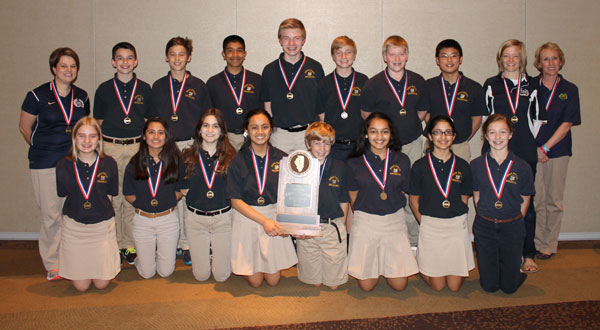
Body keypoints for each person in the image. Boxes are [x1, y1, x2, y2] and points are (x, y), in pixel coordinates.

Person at [19, 47, 90, 280]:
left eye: (72, 66)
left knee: (71, 213)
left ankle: (72, 257)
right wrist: (43, 148)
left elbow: (84, 130)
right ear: (54, 68)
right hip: (46, 163)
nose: (68, 70)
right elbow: (24, 127)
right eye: (63, 66)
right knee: (51, 214)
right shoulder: (37, 95)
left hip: (74, 163)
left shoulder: (81, 96)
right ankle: (53, 263)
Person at [360, 35, 429, 247]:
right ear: (384, 57)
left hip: (413, 145)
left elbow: (423, 110)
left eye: (401, 54)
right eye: (392, 54)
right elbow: (366, 114)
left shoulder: (418, 81)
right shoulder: (373, 84)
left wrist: (405, 126)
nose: (397, 58)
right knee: (388, 192)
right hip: (385, 149)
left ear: (407, 56)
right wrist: (387, 135)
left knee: (415, 193)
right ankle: (393, 242)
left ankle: (416, 242)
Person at [483, 39, 543, 273]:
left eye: (515, 55)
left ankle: (527, 253)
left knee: (526, 204)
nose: (511, 60)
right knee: (495, 201)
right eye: (506, 55)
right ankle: (500, 252)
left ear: (522, 59)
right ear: (500, 59)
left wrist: (527, 142)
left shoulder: (533, 85)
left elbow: (537, 121)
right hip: (496, 151)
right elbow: (488, 119)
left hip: (524, 151)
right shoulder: (491, 84)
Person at [151, 37, 212, 264]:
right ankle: (172, 242)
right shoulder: (157, 86)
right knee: (168, 194)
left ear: (189, 57)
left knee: (188, 195)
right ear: (166, 57)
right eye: (172, 54)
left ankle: (188, 244)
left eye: (181, 54)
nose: (177, 59)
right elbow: (152, 121)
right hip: (166, 147)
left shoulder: (199, 86)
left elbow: (207, 119)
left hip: (190, 146)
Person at [93, 42, 153, 264]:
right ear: (113, 62)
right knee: (113, 196)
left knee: (132, 196)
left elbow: (148, 122)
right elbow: (97, 122)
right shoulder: (104, 89)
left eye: (129, 58)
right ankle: (113, 243)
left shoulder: (145, 89)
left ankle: (128, 244)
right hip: (111, 146)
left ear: (136, 61)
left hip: (137, 146)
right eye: (120, 58)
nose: (125, 62)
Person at [346, 112, 418, 292]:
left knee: (400, 286)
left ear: (391, 134)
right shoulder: (354, 163)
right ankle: (375, 264)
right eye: (374, 132)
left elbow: (403, 190)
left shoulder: (402, 160)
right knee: (366, 286)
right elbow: (353, 196)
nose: (379, 137)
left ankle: (385, 264)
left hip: (394, 223)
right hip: (366, 224)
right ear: (366, 134)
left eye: (384, 132)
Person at [226, 109, 297, 287]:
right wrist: (263, 221)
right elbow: (235, 201)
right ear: (247, 131)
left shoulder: (283, 158)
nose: (260, 132)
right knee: (256, 282)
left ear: (271, 130)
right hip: (247, 217)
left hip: (273, 217)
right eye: (254, 128)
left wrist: (290, 222)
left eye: (264, 127)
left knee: (273, 281)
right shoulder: (237, 160)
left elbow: (291, 195)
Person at [409, 115, 474, 291]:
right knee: (437, 286)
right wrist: (425, 222)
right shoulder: (419, 166)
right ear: (430, 136)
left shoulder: (462, 166)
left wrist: (455, 218)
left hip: (455, 226)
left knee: (454, 287)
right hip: (431, 225)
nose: (443, 137)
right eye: (437, 132)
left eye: (447, 133)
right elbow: (413, 200)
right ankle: (419, 263)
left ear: (454, 136)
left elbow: (464, 198)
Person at [471, 114, 534, 294]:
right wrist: (486, 216)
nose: (497, 138)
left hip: (512, 227)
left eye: (502, 132)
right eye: (492, 132)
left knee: (509, 288)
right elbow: (477, 196)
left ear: (511, 134)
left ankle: (514, 273)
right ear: (485, 136)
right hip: (485, 226)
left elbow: (525, 199)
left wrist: (514, 221)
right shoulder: (476, 165)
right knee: (489, 287)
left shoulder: (522, 167)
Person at [55, 117, 119, 291]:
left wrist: (105, 223)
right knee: (81, 287)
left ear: (99, 139)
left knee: (102, 284)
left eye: (92, 136)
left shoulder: (109, 163)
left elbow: (110, 196)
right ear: (74, 138)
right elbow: (64, 194)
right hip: (75, 228)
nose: (86, 141)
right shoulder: (63, 165)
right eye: (82, 136)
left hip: (101, 228)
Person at [532, 42, 581, 260]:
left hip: (558, 151)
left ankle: (548, 244)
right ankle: (534, 242)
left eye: (554, 58)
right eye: (546, 59)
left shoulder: (570, 89)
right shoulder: (530, 86)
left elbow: (567, 123)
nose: (551, 63)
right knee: (536, 200)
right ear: (538, 63)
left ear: (560, 61)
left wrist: (545, 147)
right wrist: (534, 149)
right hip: (532, 152)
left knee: (553, 200)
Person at [123, 118, 185, 278]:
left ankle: (155, 256)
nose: (156, 136)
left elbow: (181, 189)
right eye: (151, 132)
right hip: (142, 221)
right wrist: (143, 205)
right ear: (144, 136)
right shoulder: (135, 162)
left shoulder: (176, 161)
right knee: (147, 273)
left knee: (165, 272)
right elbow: (128, 193)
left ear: (167, 136)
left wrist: (169, 201)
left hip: (168, 220)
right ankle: (143, 259)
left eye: (160, 132)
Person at [181, 109, 236, 281]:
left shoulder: (231, 157)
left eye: (215, 126)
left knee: (221, 276)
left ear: (222, 131)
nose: (210, 130)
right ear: (199, 129)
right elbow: (183, 189)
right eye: (206, 126)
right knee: (201, 276)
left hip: (223, 219)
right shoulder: (188, 156)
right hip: (196, 219)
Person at [295, 122, 349, 290]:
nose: (322, 148)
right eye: (317, 143)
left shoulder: (340, 167)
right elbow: (291, 200)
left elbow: (344, 200)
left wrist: (342, 226)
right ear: (308, 144)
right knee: (314, 282)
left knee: (333, 285)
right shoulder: (298, 166)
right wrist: (297, 227)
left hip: (331, 226)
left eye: (326, 143)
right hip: (307, 227)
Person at [260, 18, 325, 153]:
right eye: (286, 38)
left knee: (307, 174)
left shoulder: (315, 67)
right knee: (279, 174)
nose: (291, 43)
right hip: (280, 136)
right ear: (279, 41)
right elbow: (267, 107)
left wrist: (321, 132)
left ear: (303, 41)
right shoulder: (269, 70)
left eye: (296, 38)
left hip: (308, 134)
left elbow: (321, 105)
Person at [425, 39, 486, 161]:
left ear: (460, 59)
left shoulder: (474, 87)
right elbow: (426, 113)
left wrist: (463, 138)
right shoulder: (428, 86)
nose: (449, 60)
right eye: (444, 56)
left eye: (453, 56)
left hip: (460, 146)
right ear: (437, 60)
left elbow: (477, 118)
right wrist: (436, 135)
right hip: (433, 145)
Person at [316, 36, 368, 161]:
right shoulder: (324, 83)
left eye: (348, 52)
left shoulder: (364, 81)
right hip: (333, 146)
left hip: (358, 145)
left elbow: (368, 114)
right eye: (339, 53)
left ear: (354, 56)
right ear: (333, 56)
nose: (343, 57)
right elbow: (321, 115)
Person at [207, 35, 262, 150]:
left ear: (244, 54)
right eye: (230, 51)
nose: (235, 55)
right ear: (224, 54)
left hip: (252, 137)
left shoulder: (257, 80)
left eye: (239, 51)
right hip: (224, 138)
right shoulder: (213, 83)